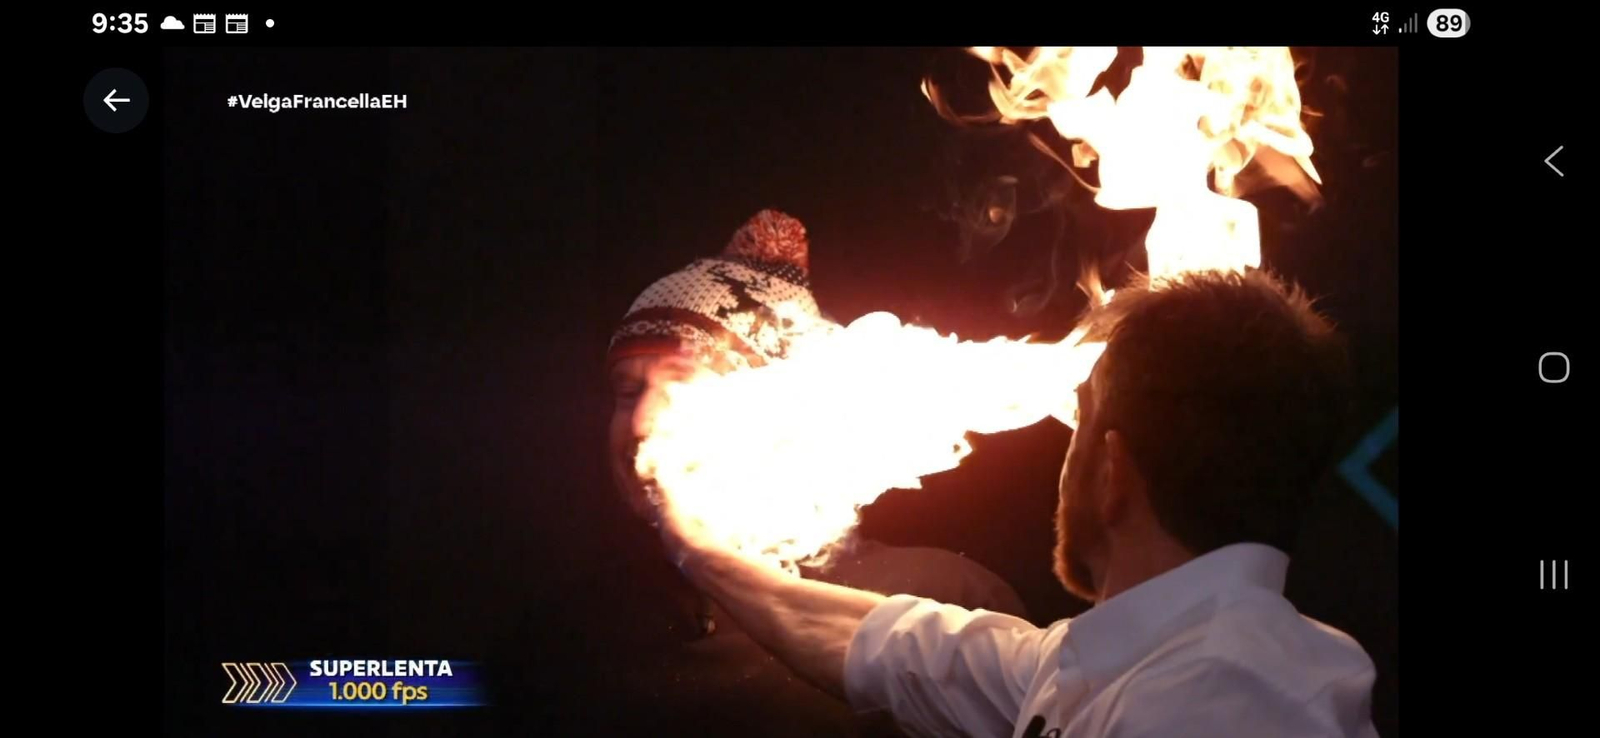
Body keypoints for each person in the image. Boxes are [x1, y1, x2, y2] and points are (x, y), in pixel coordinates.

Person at [654, 267, 1380, 737]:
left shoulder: (1232, 697)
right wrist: (700, 544)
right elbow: (886, 646)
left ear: (1112, 473)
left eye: (1080, 429)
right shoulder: (1115, 662)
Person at [603, 208, 1027, 735]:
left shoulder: (944, 604)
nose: (642, 420)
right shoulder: (566, 633)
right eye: (627, 392)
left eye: (681, 388)